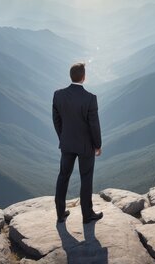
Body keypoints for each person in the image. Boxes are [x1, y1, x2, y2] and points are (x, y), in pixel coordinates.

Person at [53, 62, 103, 224]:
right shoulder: (90, 98)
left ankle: (60, 214)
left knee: (63, 176)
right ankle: (87, 215)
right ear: (83, 77)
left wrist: (63, 137)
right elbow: (94, 125)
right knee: (86, 178)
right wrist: (97, 145)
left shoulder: (58, 95)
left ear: (71, 76)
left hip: (67, 143)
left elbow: (56, 120)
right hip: (85, 146)